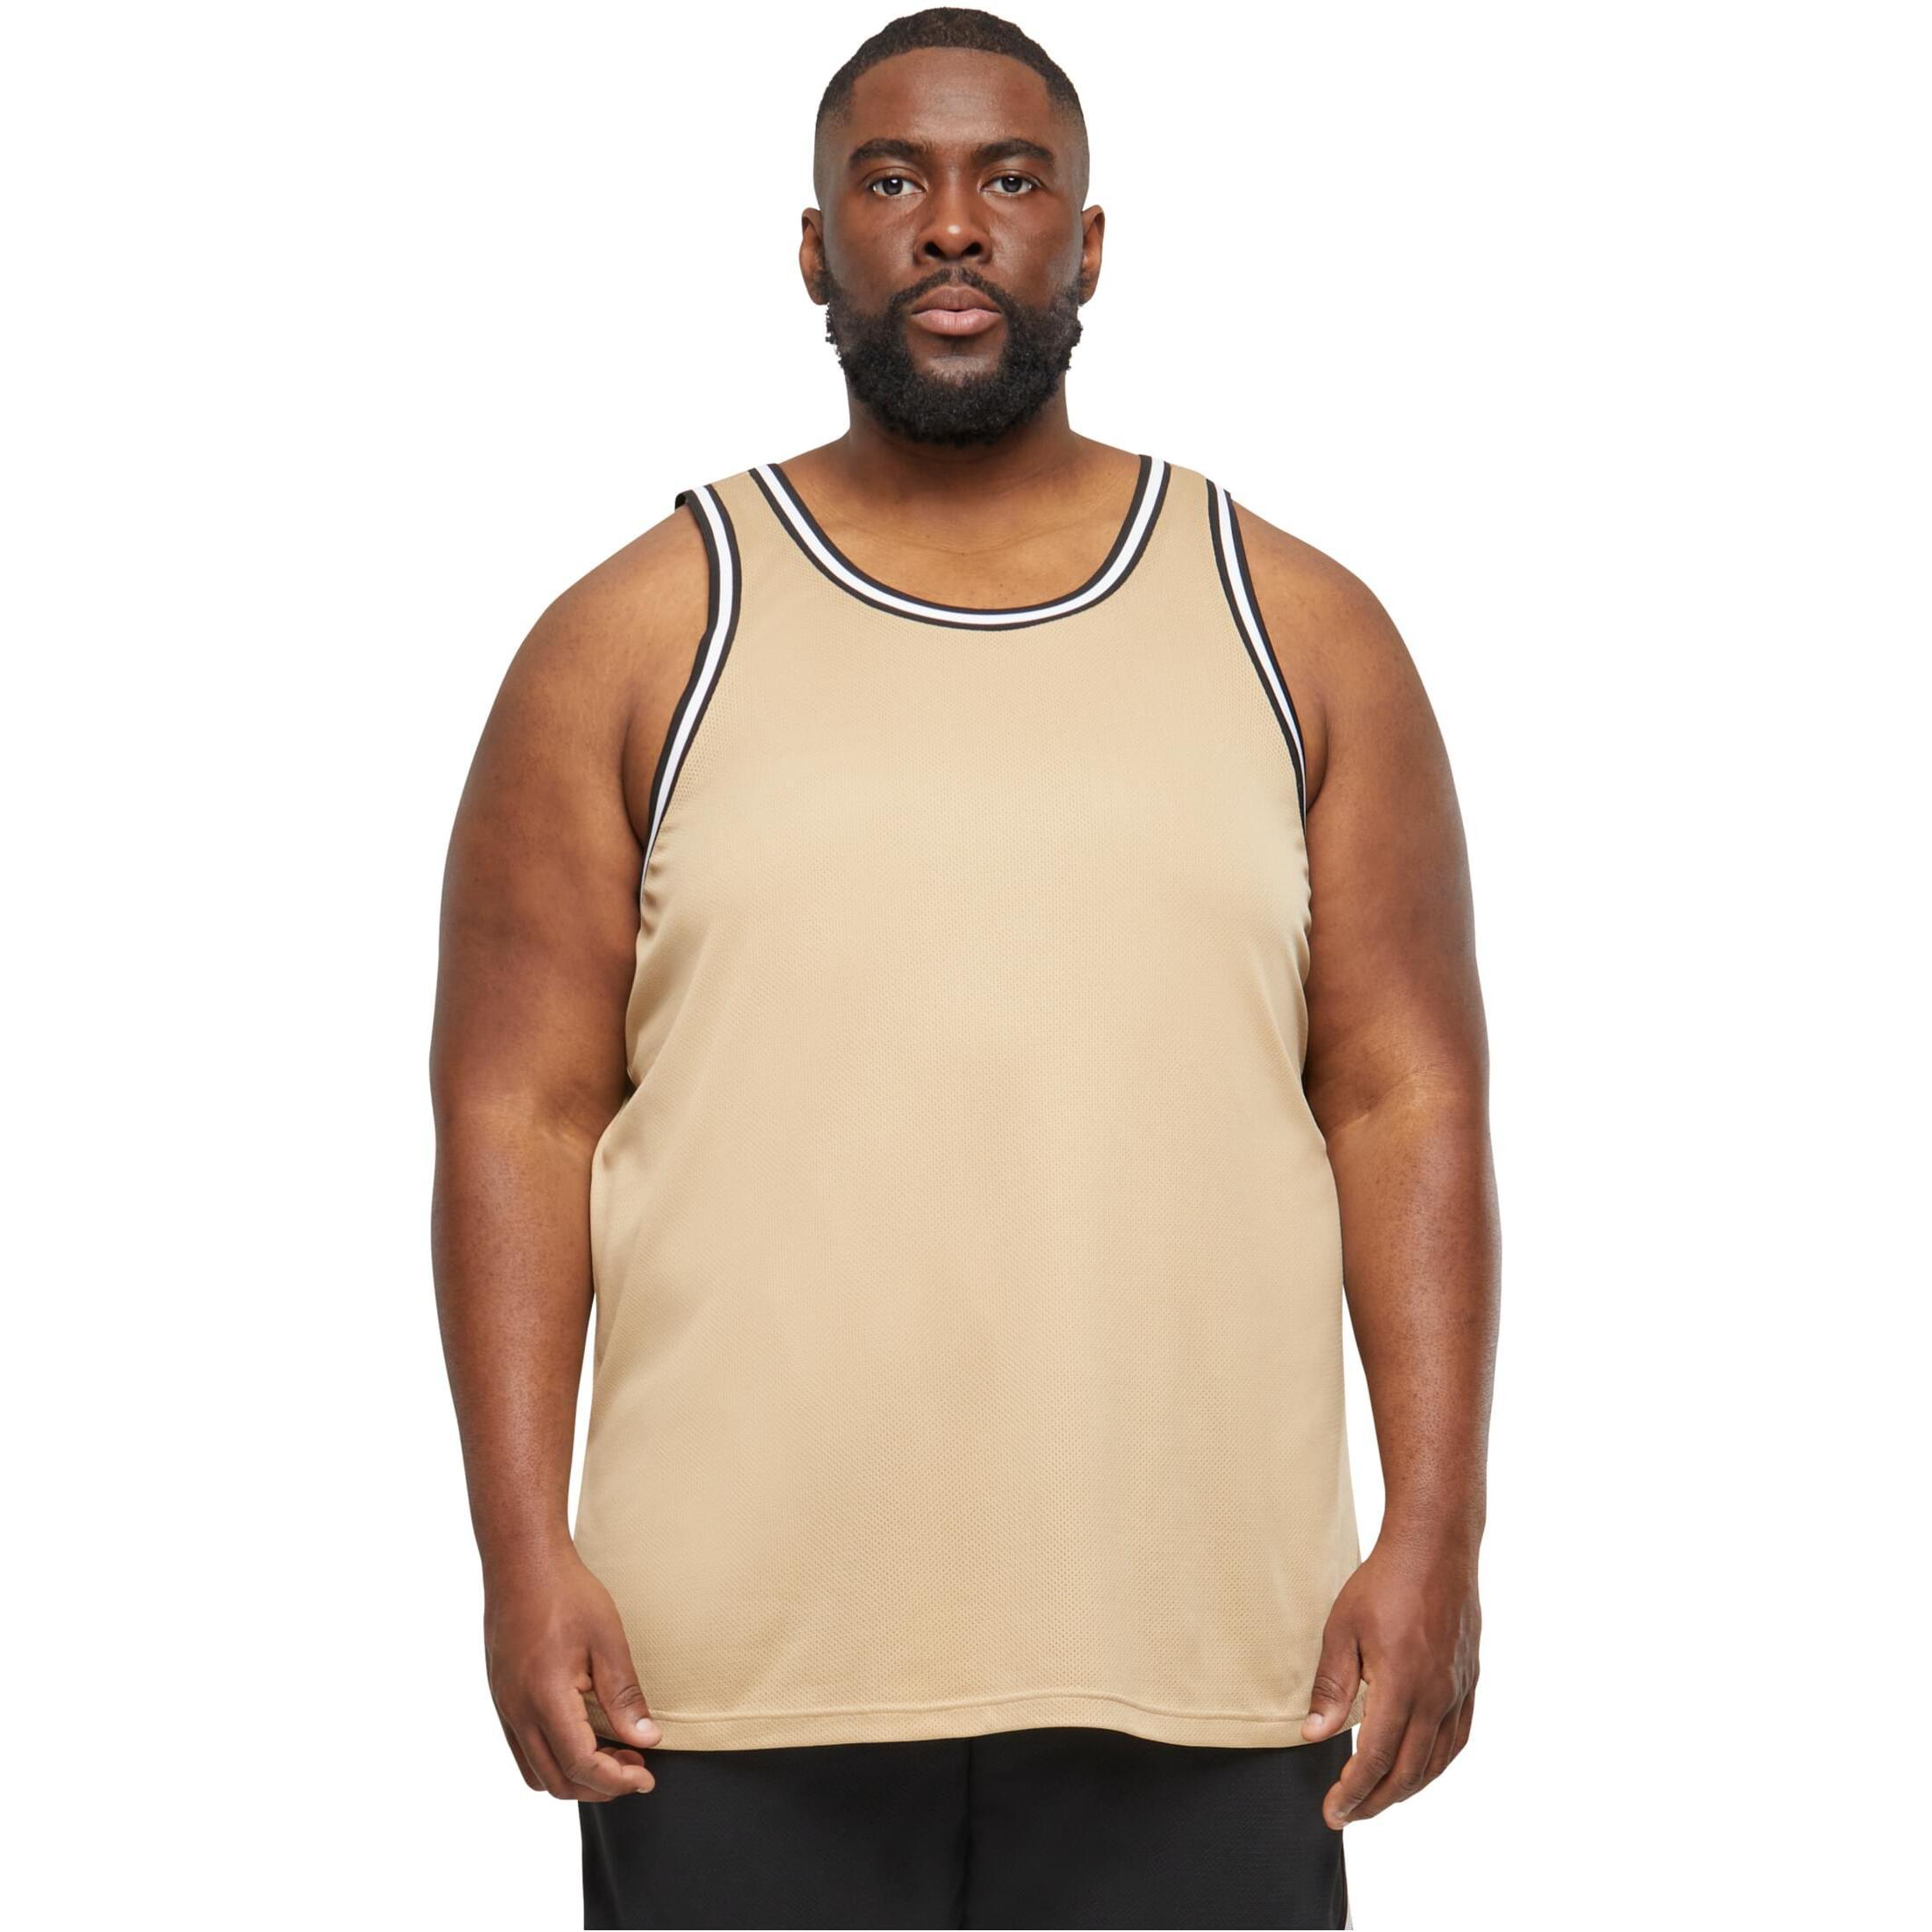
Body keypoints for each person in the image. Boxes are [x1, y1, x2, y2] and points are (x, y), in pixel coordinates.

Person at [429, 9, 1499, 1927]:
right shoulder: (634, 635)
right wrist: (522, 1548)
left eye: (1008, 180)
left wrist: (1439, 1524)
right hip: (718, 1674)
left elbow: (1402, 1094)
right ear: (813, 246)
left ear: (1084, 243)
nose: (949, 225)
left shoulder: (1299, 627)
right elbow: (519, 1111)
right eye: (890, 179)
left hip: (1210, 1657)